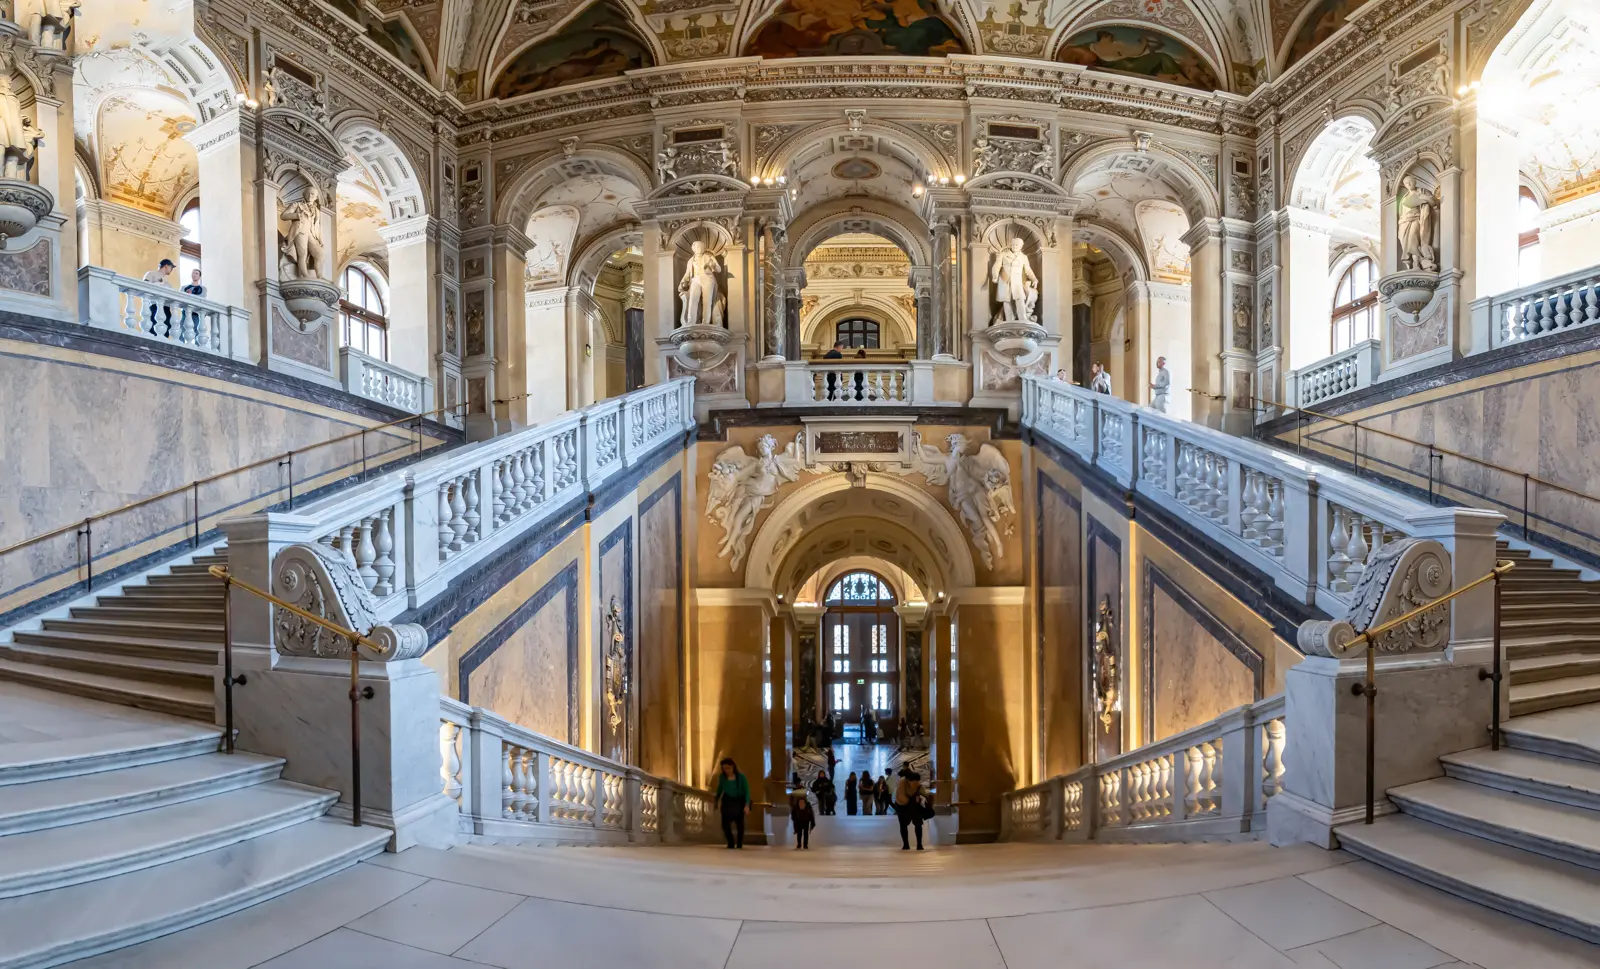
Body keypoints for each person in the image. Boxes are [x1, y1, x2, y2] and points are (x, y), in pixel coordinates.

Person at [713, 757, 750, 849]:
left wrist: (747, 805)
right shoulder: (722, 777)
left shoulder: (741, 777)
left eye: (728, 768)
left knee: (739, 823)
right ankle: (731, 842)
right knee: (725, 824)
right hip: (727, 800)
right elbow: (720, 788)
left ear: (733, 767)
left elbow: (747, 791)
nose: (727, 770)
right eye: (724, 768)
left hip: (738, 800)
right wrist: (716, 800)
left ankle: (739, 843)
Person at [141, 259, 176, 336]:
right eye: (171, 267)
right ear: (166, 266)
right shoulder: (151, 274)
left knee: (166, 331)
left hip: (166, 308)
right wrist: (159, 283)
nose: (172, 269)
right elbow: (144, 287)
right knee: (153, 329)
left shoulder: (168, 284)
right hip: (155, 306)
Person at [895, 769, 928, 850]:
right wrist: (911, 803)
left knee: (917, 824)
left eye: (917, 782)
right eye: (914, 782)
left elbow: (924, 794)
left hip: (912, 806)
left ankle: (919, 844)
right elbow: (900, 796)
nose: (915, 783)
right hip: (903, 806)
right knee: (904, 825)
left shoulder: (917, 784)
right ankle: (906, 844)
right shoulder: (903, 782)